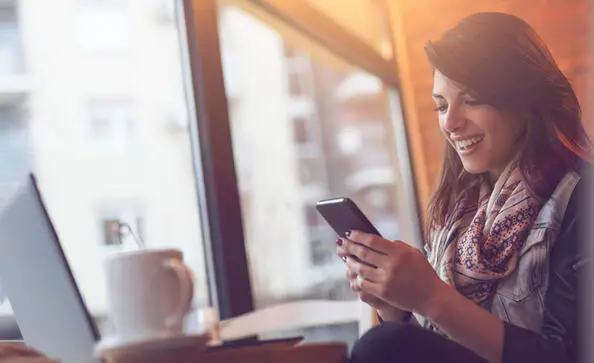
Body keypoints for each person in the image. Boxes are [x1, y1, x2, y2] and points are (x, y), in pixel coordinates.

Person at [336, 12, 592, 363]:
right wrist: (396, 306)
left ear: (523, 98)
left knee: (381, 346)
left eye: (471, 100)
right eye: (441, 105)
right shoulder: (458, 210)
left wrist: (431, 297)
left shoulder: (581, 197)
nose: (451, 122)